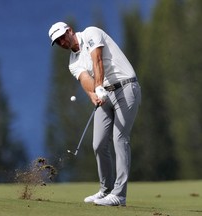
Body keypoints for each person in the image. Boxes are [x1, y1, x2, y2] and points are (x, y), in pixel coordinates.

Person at [48, 22, 141, 206]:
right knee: (98, 143)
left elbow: (97, 59)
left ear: (70, 31)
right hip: (105, 94)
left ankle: (119, 195)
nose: (62, 42)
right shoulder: (73, 62)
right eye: (57, 42)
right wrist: (93, 93)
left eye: (62, 37)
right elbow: (84, 78)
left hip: (126, 87)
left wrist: (98, 86)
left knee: (120, 138)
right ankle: (105, 191)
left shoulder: (91, 33)